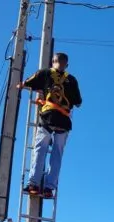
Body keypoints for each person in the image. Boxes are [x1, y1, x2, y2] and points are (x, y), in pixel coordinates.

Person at [17, 52, 82, 198]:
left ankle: (33, 185)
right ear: (67, 65)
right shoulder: (72, 80)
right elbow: (78, 102)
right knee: (57, 155)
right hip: (64, 122)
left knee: (40, 150)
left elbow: (26, 83)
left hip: (48, 118)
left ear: (53, 61)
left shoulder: (44, 73)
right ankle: (48, 188)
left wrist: (21, 85)